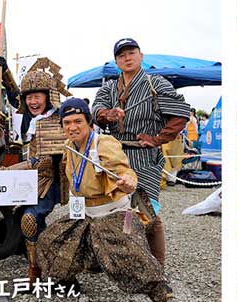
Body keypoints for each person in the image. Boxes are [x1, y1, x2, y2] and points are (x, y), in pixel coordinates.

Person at [36, 98, 173, 302]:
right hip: (84, 213)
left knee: (130, 253)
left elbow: (124, 170)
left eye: (78, 121)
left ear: (89, 122)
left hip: (116, 212)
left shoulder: (104, 143)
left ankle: (159, 290)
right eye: (67, 123)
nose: (72, 127)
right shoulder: (68, 146)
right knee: (49, 240)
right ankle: (68, 281)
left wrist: (128, 181)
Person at [92, 38, 192, 265]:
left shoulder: (156, 84)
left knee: (148, 210)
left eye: (131, 53)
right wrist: (108, 114)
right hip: (114, 156)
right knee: (120, 207)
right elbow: (95, 109)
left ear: (141, 56)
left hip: (144, 155)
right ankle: (128, 257)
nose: (127, 58)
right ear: (116, 61)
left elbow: (181, 112)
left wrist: (158, 138)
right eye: (121, 55)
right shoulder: (109, 87)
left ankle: (157, 264)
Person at [0, 65, 71, 286]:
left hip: (53, 182)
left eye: (37, 96)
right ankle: (37, 268)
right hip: (33, 181)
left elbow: (44, 161)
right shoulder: (30, 118)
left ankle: (58, 269)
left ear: (48, 97)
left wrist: (8, 172)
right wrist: (4, 70)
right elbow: (13, 97)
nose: (32, 101)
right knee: (28, 221)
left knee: (31, 219)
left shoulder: (58, 119)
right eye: (29, 97)